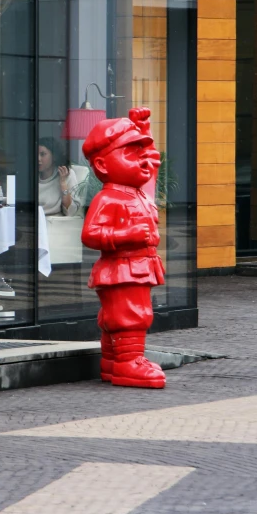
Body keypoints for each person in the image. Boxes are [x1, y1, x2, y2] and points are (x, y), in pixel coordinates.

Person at [81, 107, 166, 389]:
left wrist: (144, 129)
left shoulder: (139, 192)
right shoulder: (109, 198)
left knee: (117, 315)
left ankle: (113, 361)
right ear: (103, 165)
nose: (143, 159)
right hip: (122, 267)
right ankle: (129, 362)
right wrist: (126, 234)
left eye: (141, 151)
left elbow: (152, 161)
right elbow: (90, 234)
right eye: (131, 152)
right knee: (131, 314)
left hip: (138, 266)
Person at [38, 137, 81, 216]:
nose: (38, 158)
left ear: (54, 156)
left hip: (54, 223)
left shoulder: (66, 174)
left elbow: (71, 211)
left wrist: (63, 183)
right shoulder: (30, 176)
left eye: (43, 154)